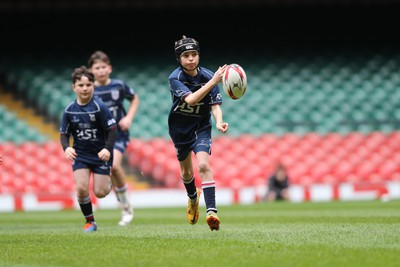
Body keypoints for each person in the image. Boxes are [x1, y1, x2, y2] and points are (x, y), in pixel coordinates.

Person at [168, 35, 228, 231]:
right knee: (186, 172)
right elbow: (191, 100)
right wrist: (213, 81)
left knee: (203, 164)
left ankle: (212, 212)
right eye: (186, 55)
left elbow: (215, 105)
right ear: (179, 59)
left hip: (201, 127)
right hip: (180, 129)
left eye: (194, 54)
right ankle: (193, 198)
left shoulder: (209, 75)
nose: (191, 58)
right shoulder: (175, 78)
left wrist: (219, 122)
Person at [60, 66, 118, 232]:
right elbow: (64, 133)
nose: (84, 88)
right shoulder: (69, 110)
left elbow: (112, 129)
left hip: (101, 156)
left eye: (88, 85)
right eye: (81, 85)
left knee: (100, 193)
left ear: (93, 86)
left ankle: (108, 180)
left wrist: (107, 149)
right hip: (81, 155)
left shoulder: (100, 107)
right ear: (74, 87)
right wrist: (66, 148)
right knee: (81, 188)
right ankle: (90, 222)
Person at [88, 50, 139, 226]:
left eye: (103, 67)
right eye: (97, 68)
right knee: (107, 170)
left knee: (115, 165)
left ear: (109, 68)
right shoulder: (89, 89)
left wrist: (129, 118)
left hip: (118, 134)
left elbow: (134, 99)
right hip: (98, 137)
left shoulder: (119, 85)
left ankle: (126, 208)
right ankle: (103, 201)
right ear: (91, 70)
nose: (100, 70)